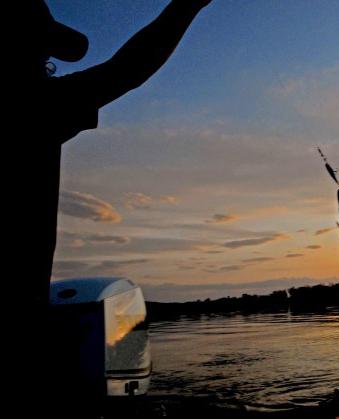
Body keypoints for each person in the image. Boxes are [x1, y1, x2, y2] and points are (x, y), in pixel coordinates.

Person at [8, 0, 213, 408]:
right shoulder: (38, 107)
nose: (45, 60)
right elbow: (129, 69)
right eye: (39, 48)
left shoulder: (42, 105)